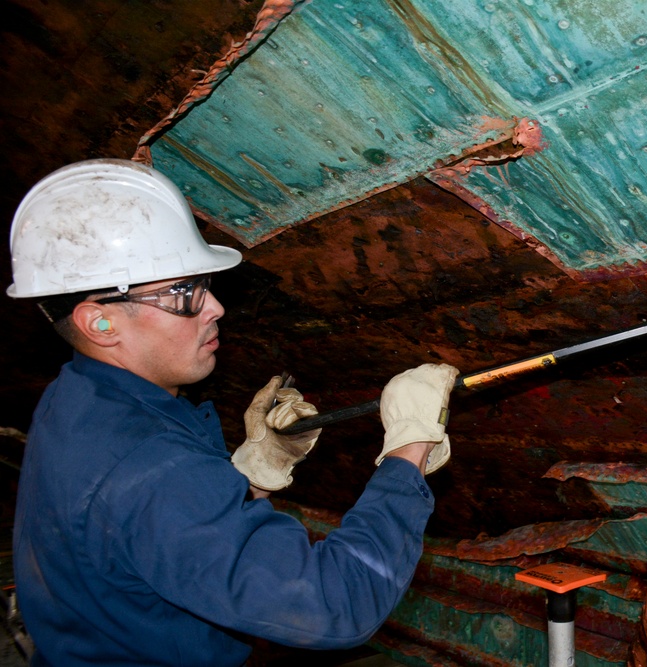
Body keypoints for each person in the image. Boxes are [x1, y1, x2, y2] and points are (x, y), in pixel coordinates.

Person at [7, 158, 459, 665]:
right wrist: (409, 445)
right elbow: (334, 605)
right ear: (101, 323)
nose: (215, 307)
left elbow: (149, 535)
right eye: (184, 294)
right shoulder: (148, 467)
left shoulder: (75, 398)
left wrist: (254, 470)